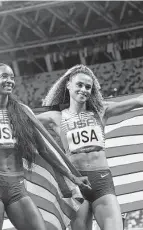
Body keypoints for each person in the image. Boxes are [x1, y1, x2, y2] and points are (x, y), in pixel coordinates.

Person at [0, 63, 91, 230]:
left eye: (12, 77)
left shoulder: (21, 113)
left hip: (17, 186)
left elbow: (44, 149)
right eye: (4, 76)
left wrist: (72, 177)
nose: (10, 80)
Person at [38, 64, 143, 230]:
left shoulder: (101, 111)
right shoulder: (55, 117)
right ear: (68, 85)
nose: (84, 90)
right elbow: (23, 121)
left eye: (88, 87)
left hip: (102, 182)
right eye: (79, 85)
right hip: (76, 184)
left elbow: (138, 101)